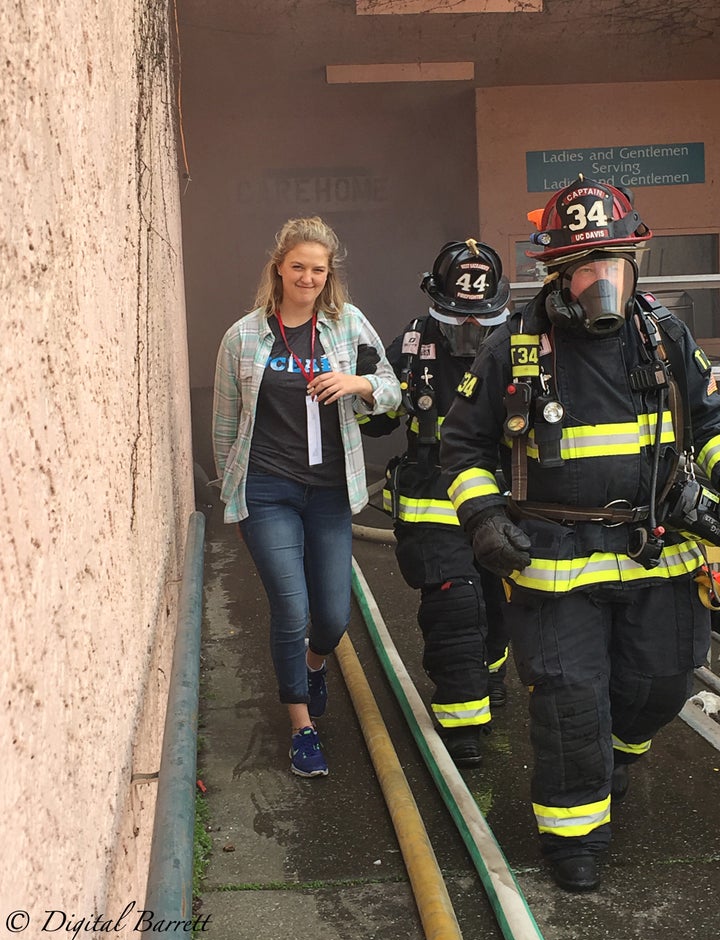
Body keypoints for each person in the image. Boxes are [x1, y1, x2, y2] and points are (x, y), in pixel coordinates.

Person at [440, 176, 720, 892]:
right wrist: (484, 519)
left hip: (656, 549)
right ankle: (572, 840)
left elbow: (712, 425)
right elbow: (464, 448)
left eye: (615, 266)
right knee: (569, 701)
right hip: (557, 563)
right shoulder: (515, 349)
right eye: (588, 269)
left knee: (660, 685)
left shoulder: (665, 337)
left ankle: (618, 755)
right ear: (557, 274)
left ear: (634, 266)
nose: (605, 283)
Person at [212, 215, 401, 778]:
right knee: (291, 610)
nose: (309, 277)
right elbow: (225, 423)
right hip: (267, 490)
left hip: (328, 492)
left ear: (328, 274)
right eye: (299, 266)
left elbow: (392, 390)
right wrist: (234, 491)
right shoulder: (243, 337)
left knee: (331, 617)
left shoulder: (348, 326)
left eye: (318, 269)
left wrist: (357, 384)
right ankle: (302, 727)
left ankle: (313, 666)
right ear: (279, 267)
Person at [360, 239, 512, 767]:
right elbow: (377, 422)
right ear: (435, 305)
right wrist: (365, 386)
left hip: (499, 507)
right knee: (454, 608)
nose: (469, 335)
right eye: (457, 323)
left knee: (497, 606)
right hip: (431, 506)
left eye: (481, 324)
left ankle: (490, 678)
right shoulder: (410, 343)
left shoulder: (520, 347)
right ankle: (463, 720)